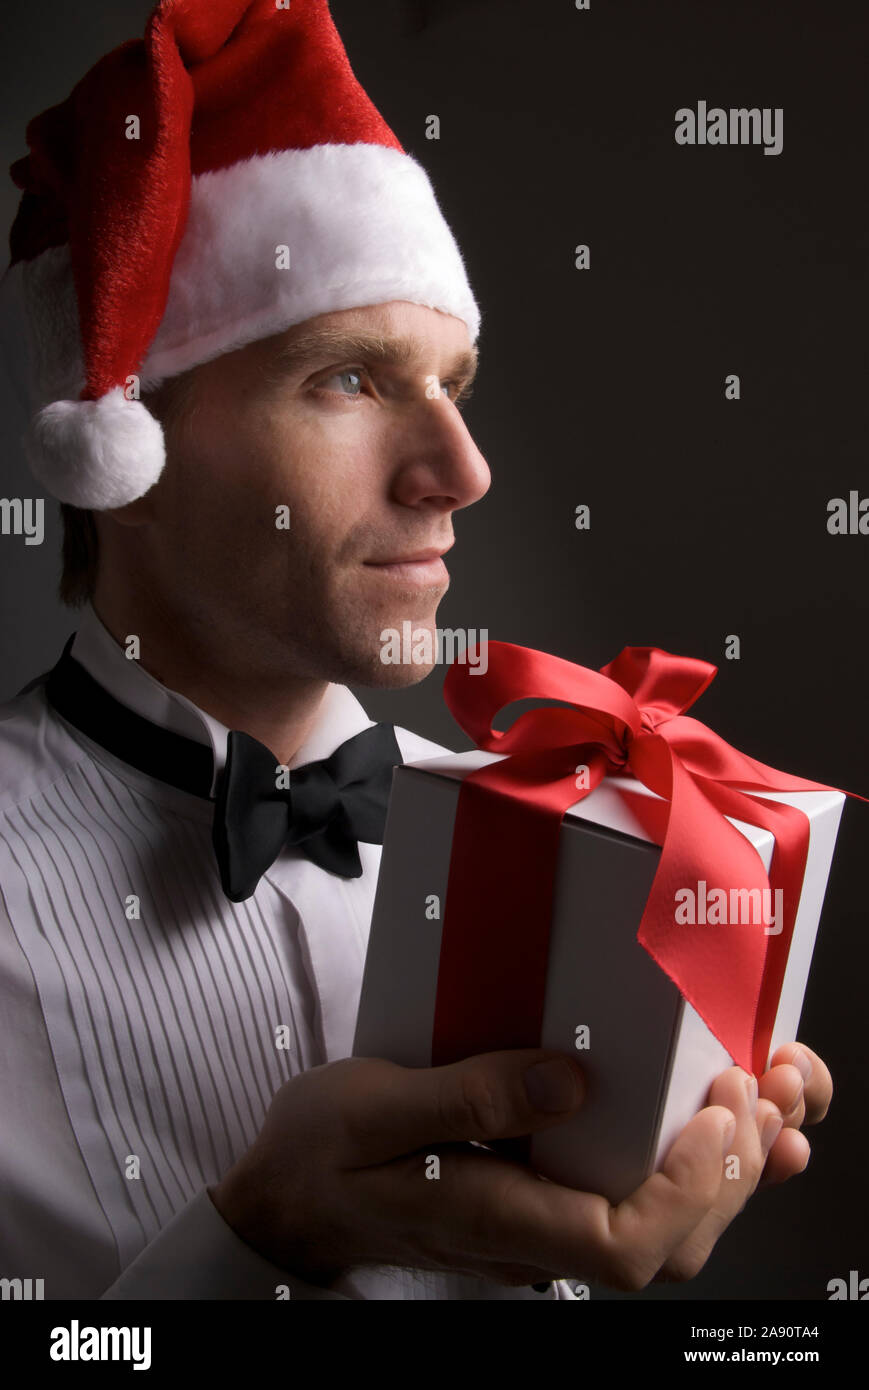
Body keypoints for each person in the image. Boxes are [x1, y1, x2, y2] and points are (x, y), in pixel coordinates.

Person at [0, 0, 829, 1301]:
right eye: (350, 379)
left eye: (456, 383)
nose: (462, 470)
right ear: (128, 450)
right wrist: (261, 1242)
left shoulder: (561, 855)